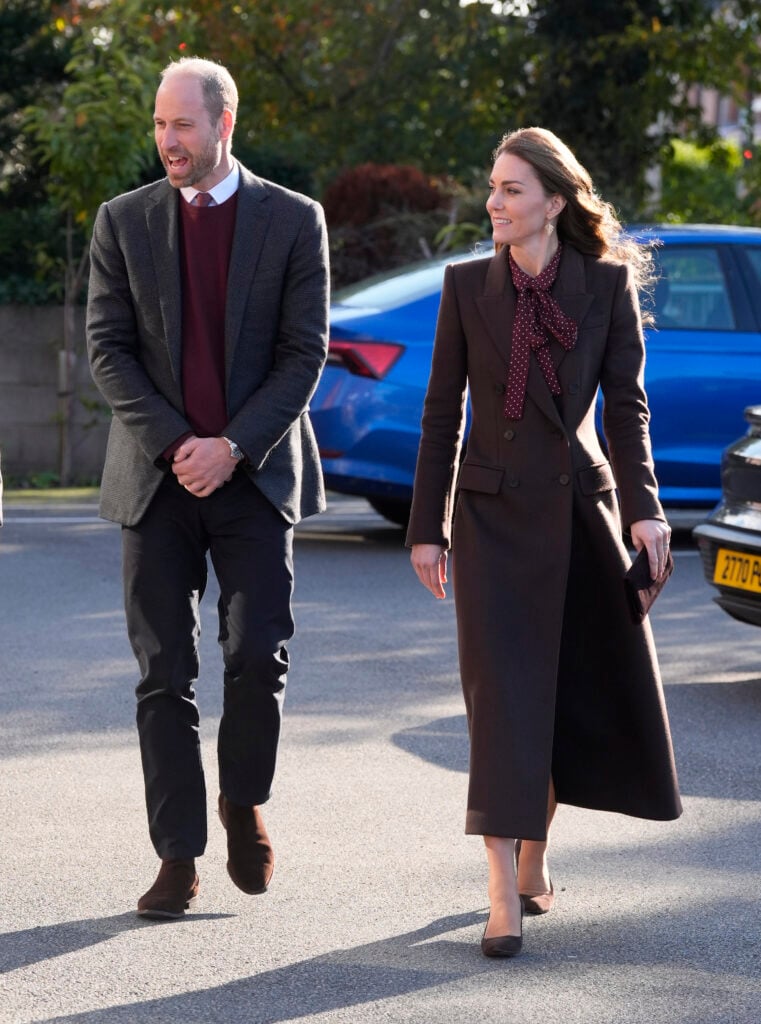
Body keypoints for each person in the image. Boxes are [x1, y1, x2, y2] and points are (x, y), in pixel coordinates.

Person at [407, 127, 681, 959]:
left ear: (553, 204)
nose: (493, 202)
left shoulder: (601, 288)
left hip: (577, 518)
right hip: (489, 520)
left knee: (557, 699)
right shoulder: (464, 287)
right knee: (501, 705)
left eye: (512, 189)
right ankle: (501, 893)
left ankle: (533, 848)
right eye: (491, 186)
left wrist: (647, 510)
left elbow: (626, 412)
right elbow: (439, 414)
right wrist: (427, 527)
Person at [87, 57, 329, 919]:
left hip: (254, 479)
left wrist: (230, 446)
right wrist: (179, 445)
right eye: (159, 125)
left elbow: (305, 354)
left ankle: (242, 799)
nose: (166, 141)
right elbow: (107, 348)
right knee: (163, 674)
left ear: (224, 124)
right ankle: (177, 854)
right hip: (155, 482)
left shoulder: (295, 220)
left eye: (181, 125)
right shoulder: (123, 220)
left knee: (256, 660)